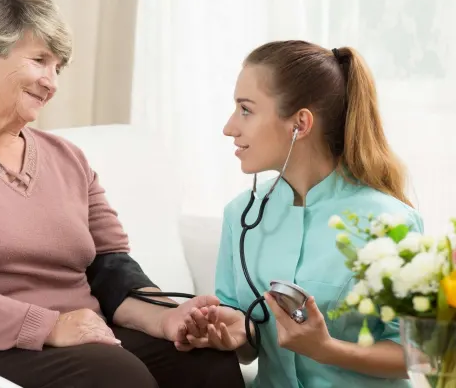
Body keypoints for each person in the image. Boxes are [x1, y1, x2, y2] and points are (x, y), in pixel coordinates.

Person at [0, 0, 244, 387]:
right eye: (40, 60)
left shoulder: (67, 158)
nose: (51, 83)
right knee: (112, 376)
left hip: (70, 333)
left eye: (58, 68)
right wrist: (48, 326)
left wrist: (167, 318)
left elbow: (110, 268)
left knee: (205, 362)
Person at [175, 40, 423, 387]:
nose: (229, 127)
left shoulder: (390, 223)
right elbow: (243, 334)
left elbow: (415, 355)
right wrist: (234, 336)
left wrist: (326, 349)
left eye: (245, 109)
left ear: (300, 124)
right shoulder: (240, 215)